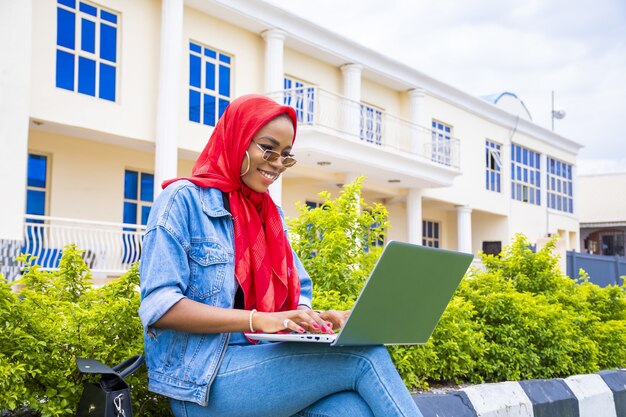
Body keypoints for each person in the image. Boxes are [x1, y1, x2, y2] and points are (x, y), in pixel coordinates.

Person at [138, 94, 422, 417]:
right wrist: (258, 318)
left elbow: (298, 291)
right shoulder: (182, 201)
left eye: (285, 155)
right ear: (239, 138)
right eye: (268, 148)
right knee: (366, 354)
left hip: (263, 363)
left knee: (352, 410)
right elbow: (160, 306)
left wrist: (312, 320)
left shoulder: (270, 215)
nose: (276, 163)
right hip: (203, 382)